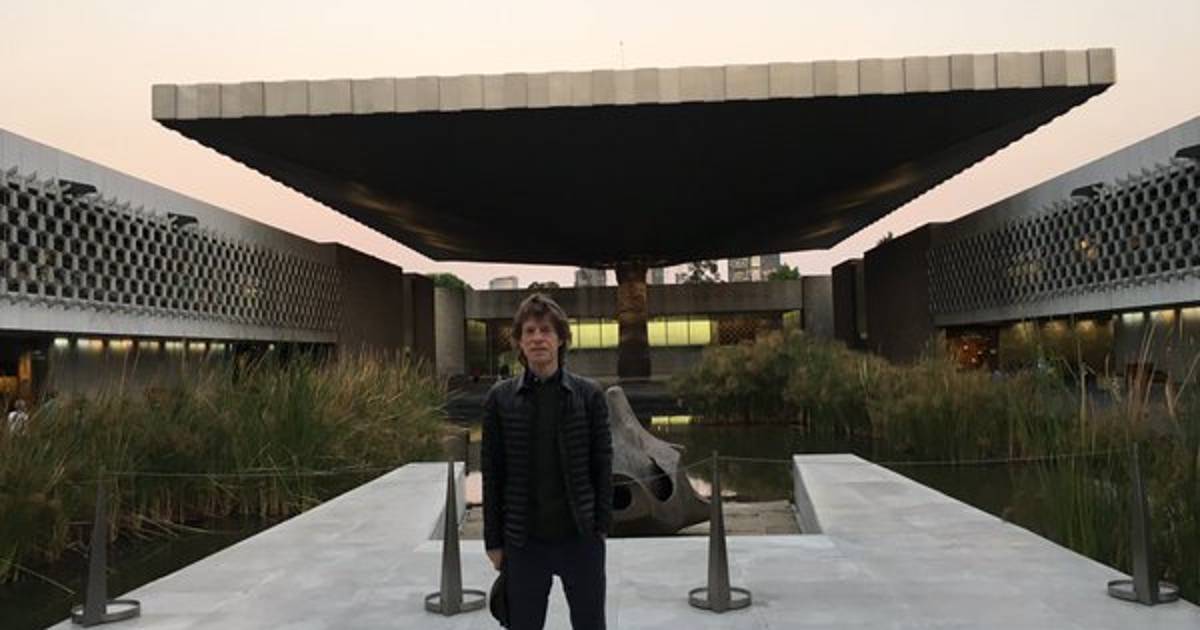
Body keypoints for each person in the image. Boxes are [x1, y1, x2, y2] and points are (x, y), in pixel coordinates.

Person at [482, 293, 613, 630]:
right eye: (529, 331)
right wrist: (493, 541)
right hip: (524, 542)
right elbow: (492, 474)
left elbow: (602, 464)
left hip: (580, 538)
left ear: (561, 339)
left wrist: (601, 526)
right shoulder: (500, 399)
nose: (538, 338)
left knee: (590, 624)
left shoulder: (589, 395)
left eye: (546, 330)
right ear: (519, 342)